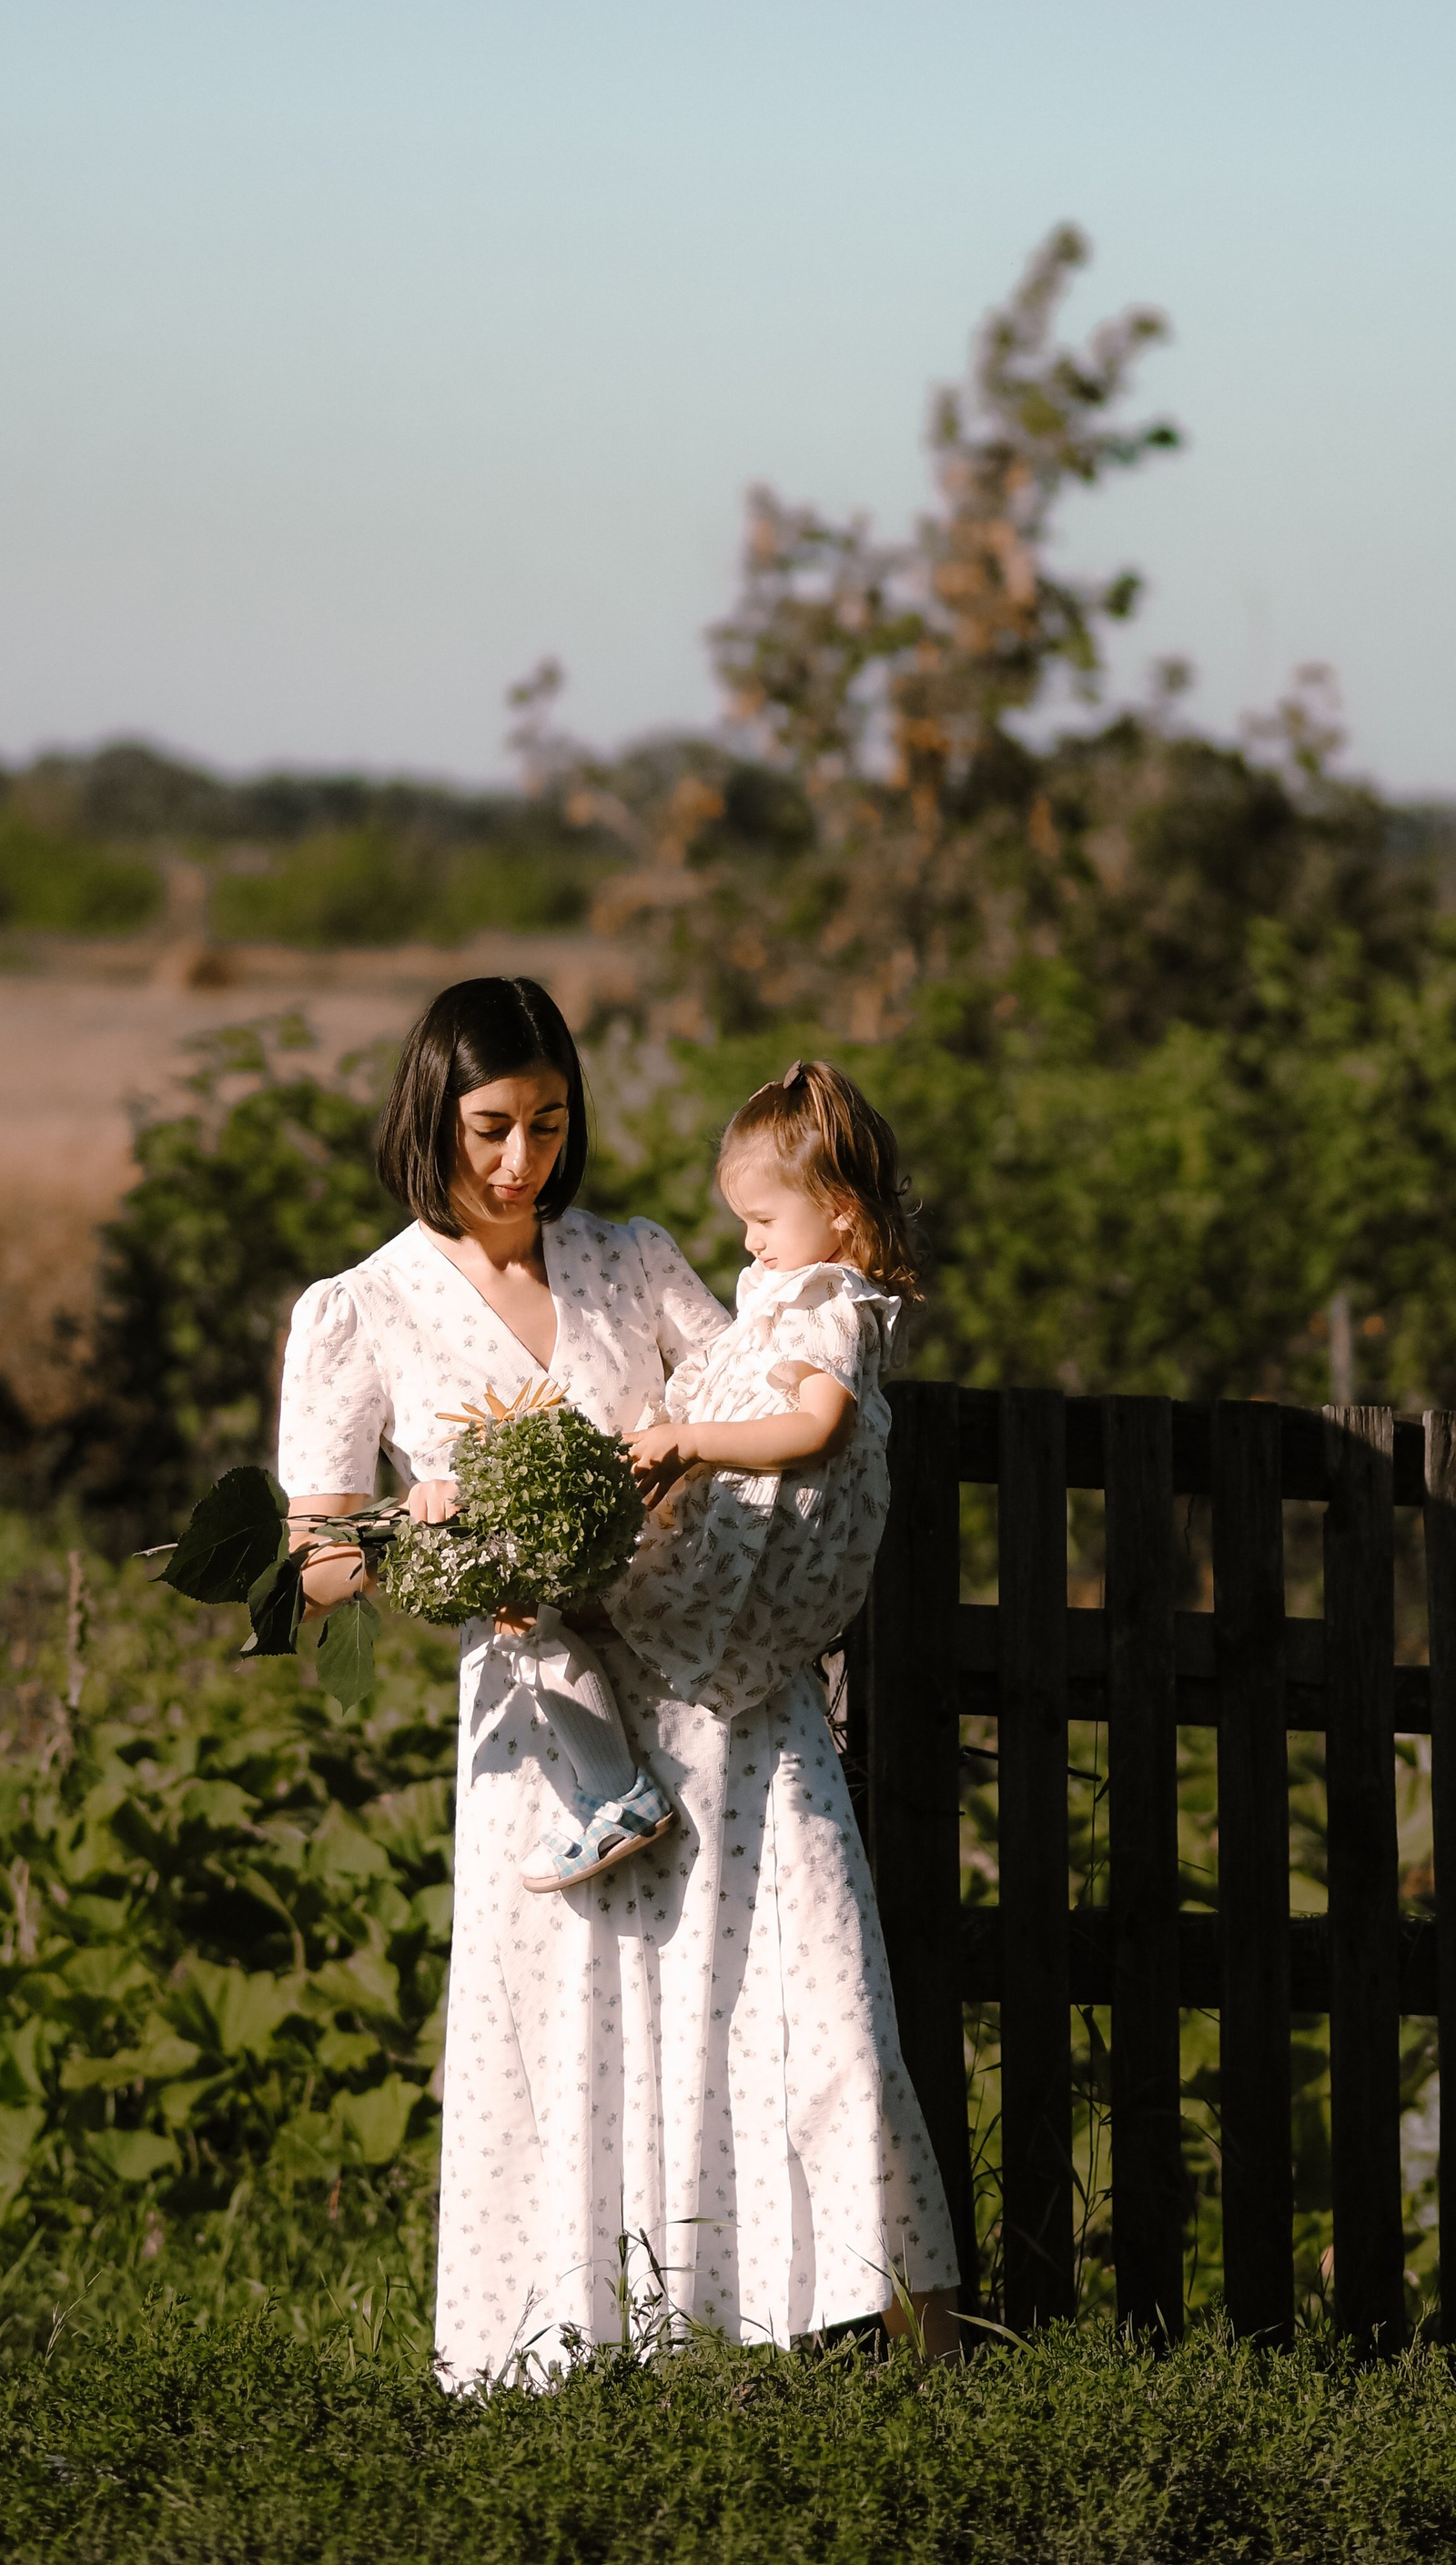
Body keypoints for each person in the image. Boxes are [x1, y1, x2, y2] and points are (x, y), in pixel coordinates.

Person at [278, 977, 961, 2378]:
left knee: (786, 2007)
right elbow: (313, 1564)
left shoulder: (632, 1256)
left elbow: (756, 1400)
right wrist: (434, 1540)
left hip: (712, 1689)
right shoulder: (359, 1308)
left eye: (546, 1123)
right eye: (488, 1127)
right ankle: (573, 2361)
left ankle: (807, 2337)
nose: (519, 1161)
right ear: (431, 1115)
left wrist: (843, 1347)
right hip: (543, 1721)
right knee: (570, 2036)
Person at [612, 1059, 916, 1721]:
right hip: (740, 1521)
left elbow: (821, 1426)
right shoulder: (796, 1291)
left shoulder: (829, 1305)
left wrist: (693, 1440)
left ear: (840, 1211)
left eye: (764, 1220)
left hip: (764, 1542)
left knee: (612, 1614)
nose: (750, 1240)